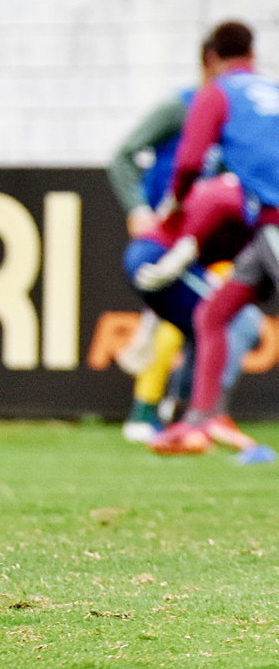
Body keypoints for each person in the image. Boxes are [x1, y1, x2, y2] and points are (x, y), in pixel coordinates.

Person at [108, 38, 261, 445]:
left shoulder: (239, 114)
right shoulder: (183, 104)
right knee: (209, 319)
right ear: (208, 63)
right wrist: (138, 209)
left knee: (207, 320)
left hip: (206, 235)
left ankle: (174, 414)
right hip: (168, 234)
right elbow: (124, 154)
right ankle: (173, 414)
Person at [151, 22, 279, 455]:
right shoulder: (270, 91)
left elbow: (189, 161)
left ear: (209, 59)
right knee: (213, 314)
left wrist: (176, 207)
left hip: (276, 219)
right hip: (265, 223)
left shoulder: (218, 92)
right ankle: (198, 423)